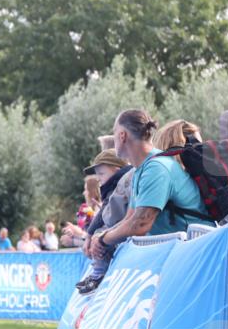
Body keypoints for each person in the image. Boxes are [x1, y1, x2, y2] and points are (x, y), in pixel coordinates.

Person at [89, 110, 211, 265]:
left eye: (114, 132)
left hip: (198, 254)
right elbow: (130, 219)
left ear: (122, 135)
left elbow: (140, 224)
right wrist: (102, 236)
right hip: (183, 255)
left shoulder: (157, 168)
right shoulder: (141, 169)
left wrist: (103, 240)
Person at [75, 149, 133, 294]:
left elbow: (111, 215)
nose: (98, 179)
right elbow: (104, 212)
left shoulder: (121, 184)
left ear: (116, 170)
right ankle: (97, 272)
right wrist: (90, 234)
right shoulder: (112, 187)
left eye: (101, 174)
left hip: (125, 234)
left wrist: (95, 235)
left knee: (101, 236)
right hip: (120, 231)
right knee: (98, 234)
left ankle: (98, 275)